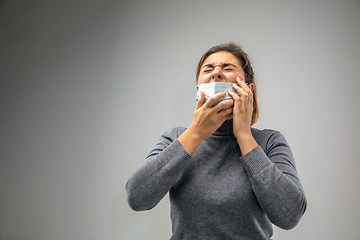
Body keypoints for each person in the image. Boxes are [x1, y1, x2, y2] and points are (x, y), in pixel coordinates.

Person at [126, 42, 307, 240]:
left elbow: (289, 215)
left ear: (248, 88)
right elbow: (137, 198)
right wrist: (195, 133)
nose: (217, 73)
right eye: (208, 69)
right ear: (198, 88)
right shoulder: (175, 138)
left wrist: (244, 135)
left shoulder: (269, 142)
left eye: (228, 68)